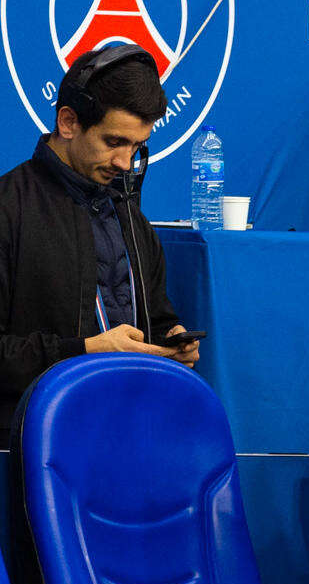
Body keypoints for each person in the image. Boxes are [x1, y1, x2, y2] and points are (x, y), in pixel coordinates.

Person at [0, 42, 201, 417]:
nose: (125, 163)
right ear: (68, 122)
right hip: (31, 447)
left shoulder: (132, 219)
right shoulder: (9, 209)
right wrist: (86, 350)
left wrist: (172, 340)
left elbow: (155, 318)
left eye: (137, 146)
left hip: (130, 430)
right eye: (114, 142)